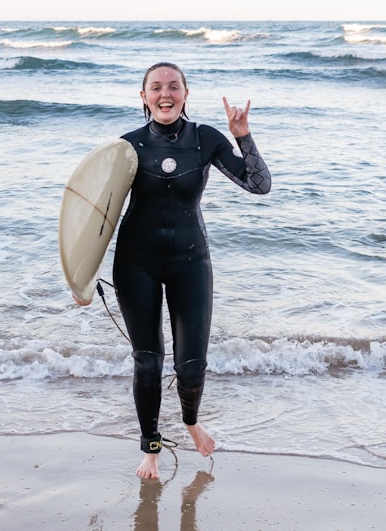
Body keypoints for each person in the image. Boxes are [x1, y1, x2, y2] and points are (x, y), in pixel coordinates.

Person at [113, 62, 271, 479]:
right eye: (156, 88)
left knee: (191, 366)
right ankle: (151, 448)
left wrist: (243, 136)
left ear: (186, 93)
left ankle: (190, 420)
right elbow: (98, 215)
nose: (165, 94)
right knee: (147, 361)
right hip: (135, 263)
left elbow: (259, 185)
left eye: (174, 86)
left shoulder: (206, 139)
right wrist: (80, 276)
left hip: (190, 261)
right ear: (143, 96)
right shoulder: (125, 147)